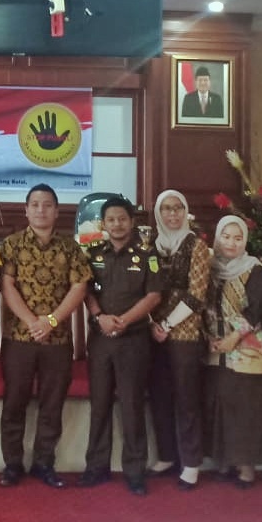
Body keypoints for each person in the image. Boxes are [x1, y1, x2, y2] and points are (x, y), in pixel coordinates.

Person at [0, 183, 90, 489]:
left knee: (52, 404)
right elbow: (6, 286)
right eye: (35, 205)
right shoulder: (11, 245)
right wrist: (31, 321)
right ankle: (12, 464)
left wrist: (50, 321)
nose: (41, 210)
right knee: (14, 402)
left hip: (57, 339)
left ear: (57, 211)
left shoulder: (71, 248)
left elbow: (79, 287)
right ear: (26, 210)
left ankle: (44, 463)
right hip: (19, 338)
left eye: (47, 205)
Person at [78, 196, 162, 497]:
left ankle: (135, 471)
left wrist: (124, 320)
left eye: (122, 219)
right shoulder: (94, 254)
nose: (117, 224)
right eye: (111, 220)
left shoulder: (147, 254)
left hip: (133, 340)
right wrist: (99, 317)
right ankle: (95, 467)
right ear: (104, 223)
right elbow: (86, 291)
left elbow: (154, 296)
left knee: (132, 406)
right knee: (99, 405)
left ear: (131, 221)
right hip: (101, 339)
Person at [147, 189, 210, 491]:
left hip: (185, 332)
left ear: (185, 212)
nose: (173, 214)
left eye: (178, 208)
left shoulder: (196, 246)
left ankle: (191, 462)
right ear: (158, 213)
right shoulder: (151, 246)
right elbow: (145, 288)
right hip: (154, 332)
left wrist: (167, 324)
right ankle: (167, 455)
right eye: (167, 209)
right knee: (160, 395)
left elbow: (197, 294)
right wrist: (152, 322)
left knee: (187, 398)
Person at [202, 215, 262, 489]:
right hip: (214, 348)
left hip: (246, 349)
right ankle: (224, 461)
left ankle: (246, 467)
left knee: (245, 408)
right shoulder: (210, 268)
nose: (231, 243)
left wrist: (233, 337)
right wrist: (208, 337)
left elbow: (257, 308)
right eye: (226, 237)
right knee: (219, 405)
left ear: (245, 241)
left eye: (238, 238)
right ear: (218, 238)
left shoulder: (254, 269)